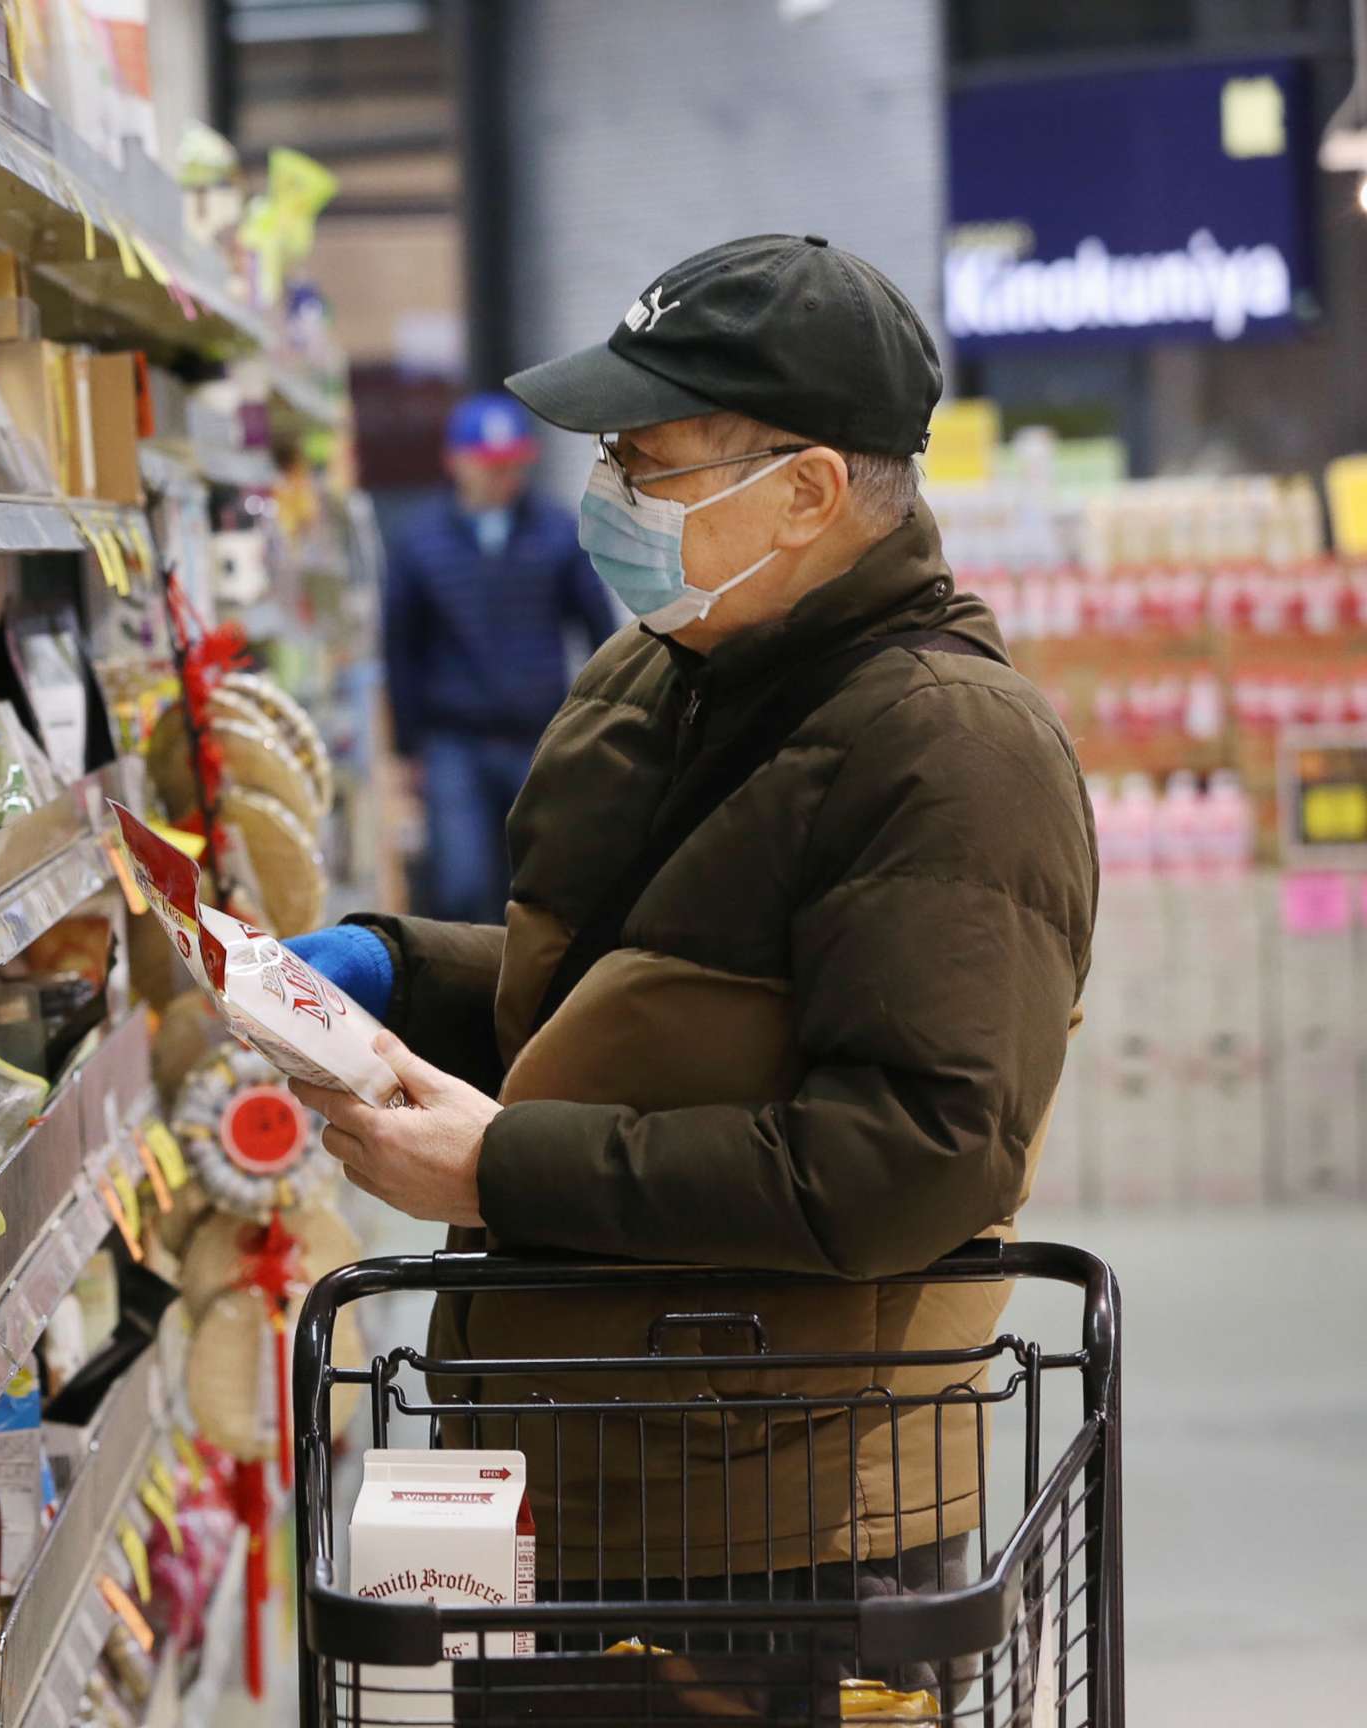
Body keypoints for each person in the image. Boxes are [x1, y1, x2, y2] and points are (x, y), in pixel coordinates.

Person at [288, 235, 1098, 1687]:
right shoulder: (657, 677)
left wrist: (500, 1173)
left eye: (650, 462)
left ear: (807, 491)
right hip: (575, 1451)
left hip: (785, 1530)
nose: (608, 497)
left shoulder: (954, 754)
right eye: (610, 454)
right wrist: (388, 974)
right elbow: (629, 996)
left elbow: (920, 1151)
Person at [381, 393, 618, 921]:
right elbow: (401, 649)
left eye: (512, 465)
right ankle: (473, 987)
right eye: (489, 466)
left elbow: (601, 634)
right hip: (453, 743)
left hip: (538, 735)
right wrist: (406, 749)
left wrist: (598, 726)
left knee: (544, 878)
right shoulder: (419, 544)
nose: (502, 477)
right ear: (455, 462)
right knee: (462, 884)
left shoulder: (559, 532)